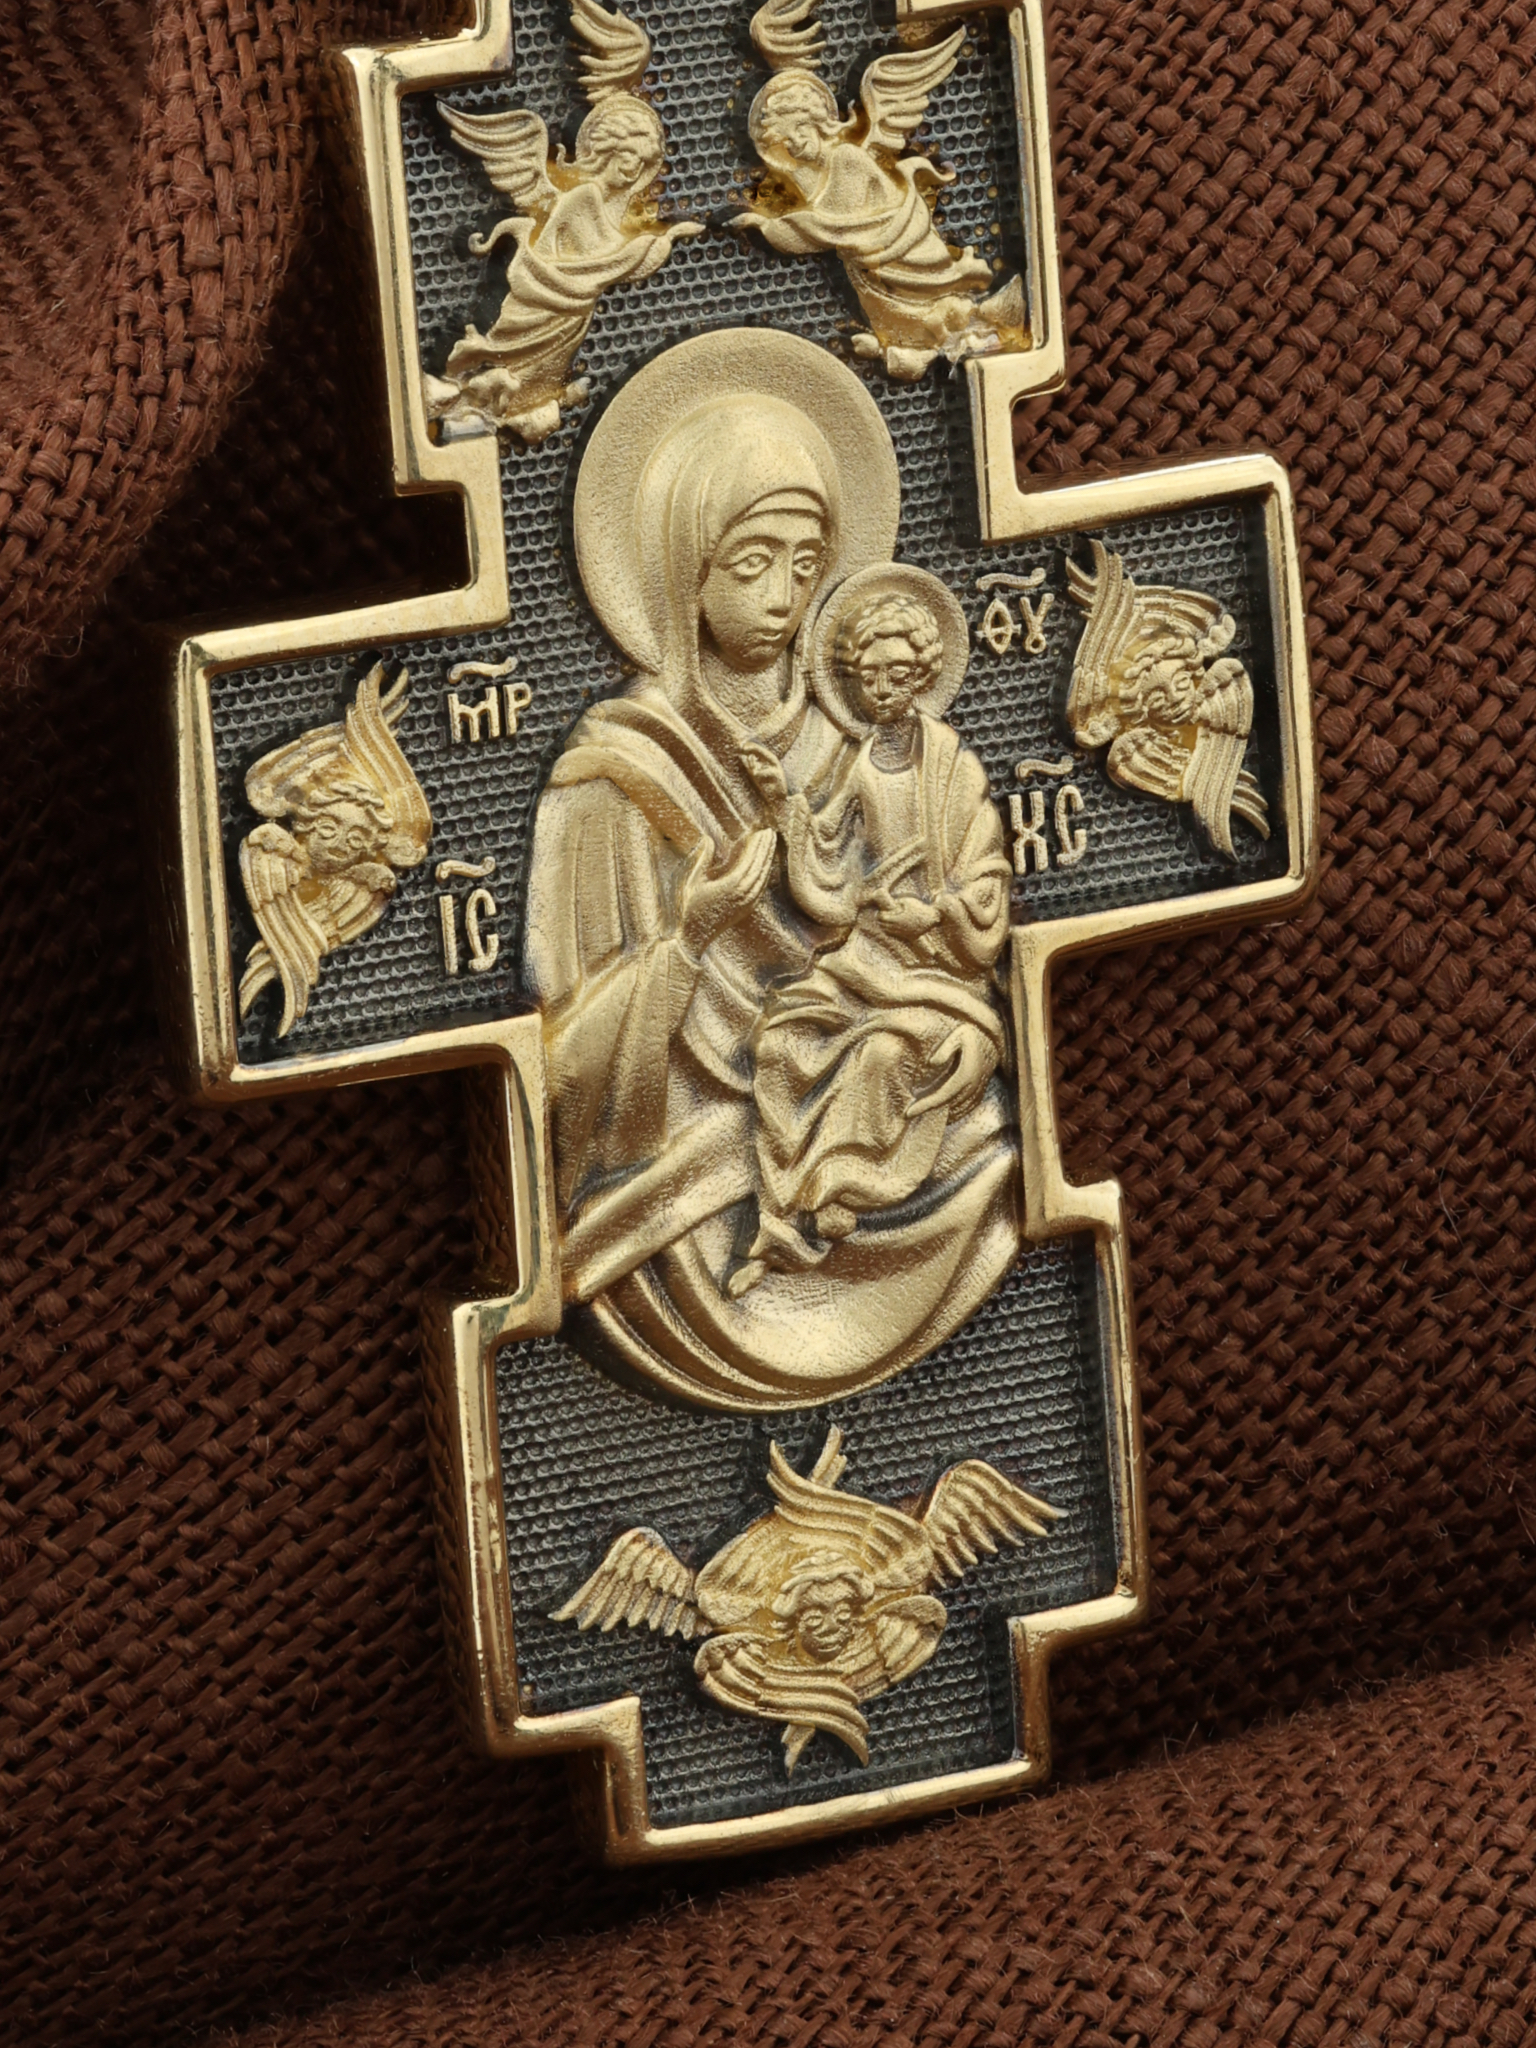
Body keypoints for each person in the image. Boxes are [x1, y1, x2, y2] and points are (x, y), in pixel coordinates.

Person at [522, 333, 1020, 1408]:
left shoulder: (860, 738)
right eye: (752, 563)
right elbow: (561, 1079)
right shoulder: (614, 777)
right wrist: (690, 936)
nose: (786, 595)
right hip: (682, 1183)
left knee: (980, 1124)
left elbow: (934, 906)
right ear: (680, 565)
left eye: (807, 563)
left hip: (893, 1084)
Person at [732, 578, 1012, 1296]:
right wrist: (781, 802)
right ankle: (781, 1210)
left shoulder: (953, 767)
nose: (882, 689)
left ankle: (838, 1194)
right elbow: (828, 857)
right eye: (868, 676)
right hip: (868, 958)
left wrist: (938, 914)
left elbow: (987, 880)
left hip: (941, 974)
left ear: (923, 675)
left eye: (898, 674)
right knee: (782, 1043)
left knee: (885, 1055)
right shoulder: (859, 764)